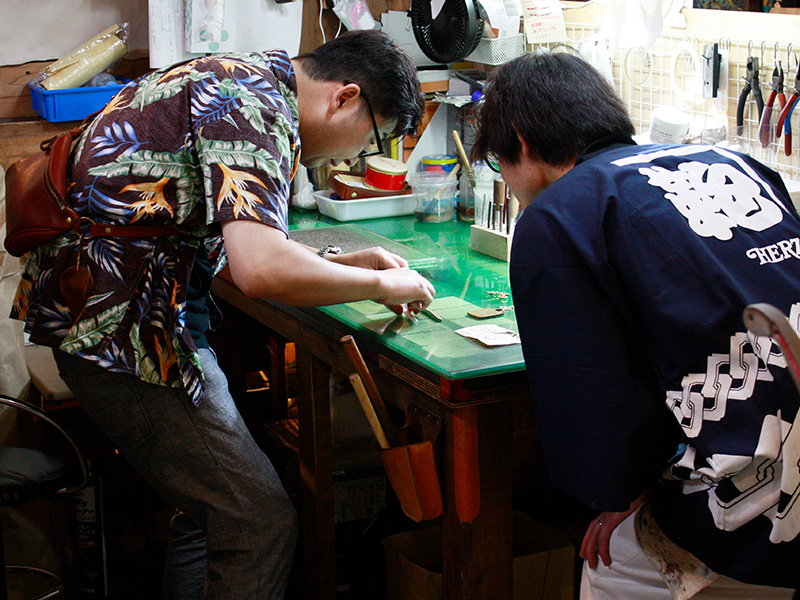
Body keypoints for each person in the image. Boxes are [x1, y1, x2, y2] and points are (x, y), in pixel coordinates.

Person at [11, 30, 434, 600]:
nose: (352, 159)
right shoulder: (257, 109)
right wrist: (382, 285)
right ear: (344, 97)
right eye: (370, 141)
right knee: (258, 523)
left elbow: (237, 256)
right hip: (123, 335)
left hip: (101, 314)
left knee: (212, 511)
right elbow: (260, 271)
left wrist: (340, 263)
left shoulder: (241, 77)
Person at [471, 50, 800, 599]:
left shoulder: (558, 216)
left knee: (611, 562)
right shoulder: (736, 163)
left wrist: (618, 494)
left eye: (497, 162)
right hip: (783, 437)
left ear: (521, 143)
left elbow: (593, 394)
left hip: (758, 502)